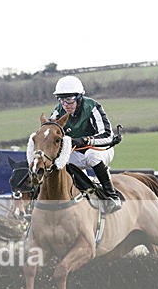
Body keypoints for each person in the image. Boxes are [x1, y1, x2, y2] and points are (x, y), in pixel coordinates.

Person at [47, 75, 121, 212]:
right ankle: (82, 192)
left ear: (79, 97)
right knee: (59, 161)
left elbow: (107, 136)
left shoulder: (92, 107)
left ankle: (112, 195)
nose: (65, 105)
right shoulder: (58, 110)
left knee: (92, 155)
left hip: (100, 149)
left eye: (69, 100)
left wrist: (84, 140)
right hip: (76, 152)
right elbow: (49, 131)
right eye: (61, 99)